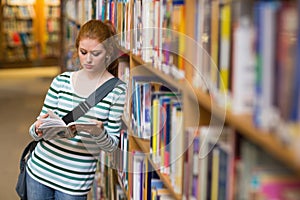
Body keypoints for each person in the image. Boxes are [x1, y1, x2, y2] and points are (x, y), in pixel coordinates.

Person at [26, 19, 127, 200]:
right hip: (39, 171)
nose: (88, 59)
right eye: (83, 52)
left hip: (74, 182)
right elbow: (34, 132)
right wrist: (39, 128)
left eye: (96, 53)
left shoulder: (117, 90)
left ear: (108, 53)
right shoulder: (61, 82)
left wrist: (99, 132)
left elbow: (111, 147)